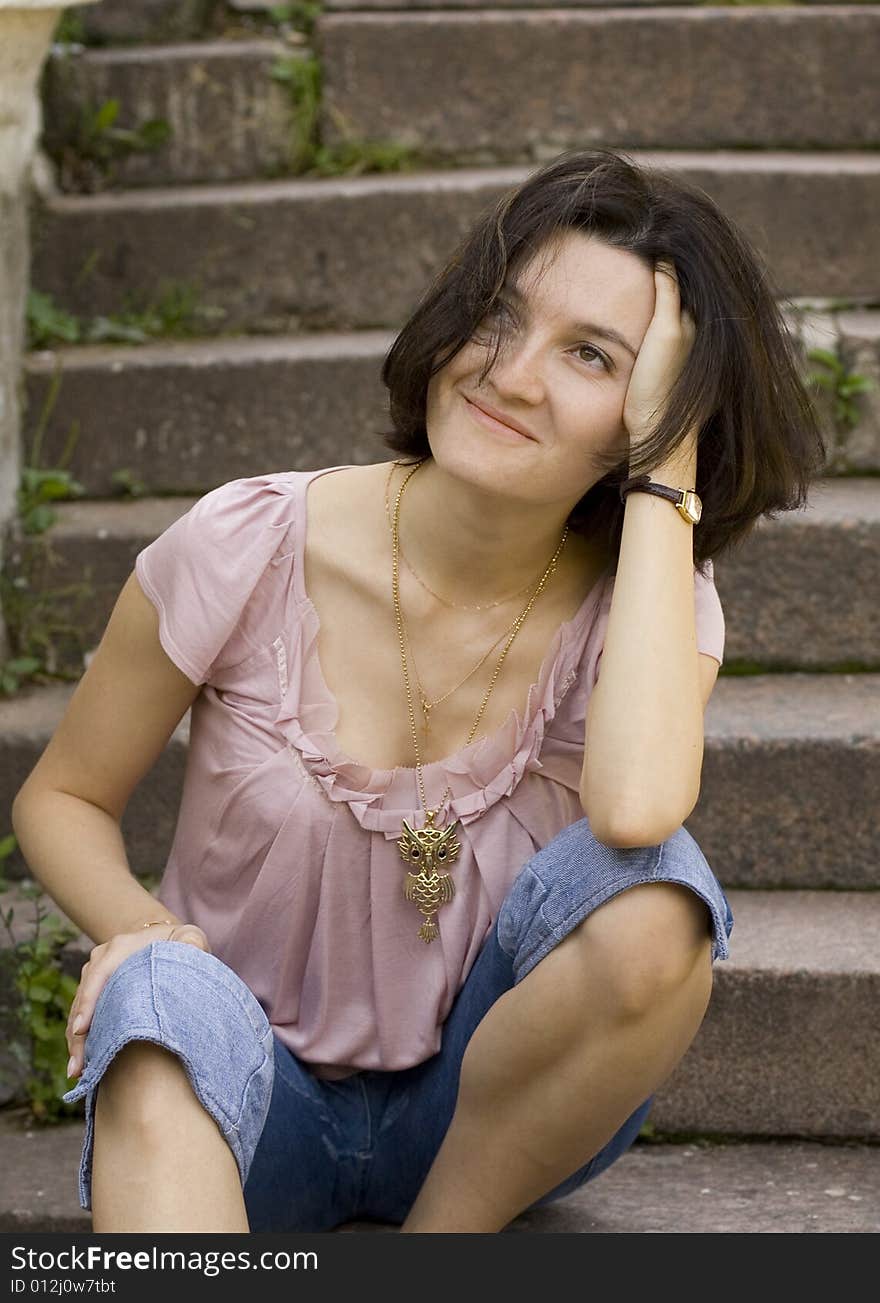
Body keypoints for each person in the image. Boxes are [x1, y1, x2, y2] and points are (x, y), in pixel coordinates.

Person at [11, 147, 826, 1234]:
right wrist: (150, 933)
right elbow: (59, 797)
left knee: (657, 894)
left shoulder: (648, 594)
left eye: (590, 355)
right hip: (244, 1100)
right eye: (500, 314)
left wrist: (664, 473)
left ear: (656, 406)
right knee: (155, 999)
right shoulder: (247, 543)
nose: (511, 372)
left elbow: (634, 813)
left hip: (486, 1119)